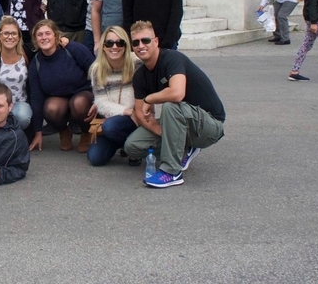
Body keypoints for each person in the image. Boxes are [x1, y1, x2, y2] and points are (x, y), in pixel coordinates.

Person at [124, 20, 226, 188]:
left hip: (209, 124)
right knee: (132, 146)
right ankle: (184, 148)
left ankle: (172, 172)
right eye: (136, 42)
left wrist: (150, 99)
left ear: (155, 42)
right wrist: (162, 132)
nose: (140, 45)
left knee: (171, 106)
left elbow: (177, 93)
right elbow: (141, 114)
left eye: (145, 40)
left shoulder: (172, 58)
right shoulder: (140, 76)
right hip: (179, 122)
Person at [28, 19, 96, 153]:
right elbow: (36, 97)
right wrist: (38, 132)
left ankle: (86, 132)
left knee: (78, 103)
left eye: (48, 33)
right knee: (50, 108)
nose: (44, 37)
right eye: (40, 35)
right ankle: (64, 131)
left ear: (56, 36)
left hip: (82, 93)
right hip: (59, 100)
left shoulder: (73, 49)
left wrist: (99, 99)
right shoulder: (35, 64)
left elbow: (96, 71)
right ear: (35, 40)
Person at [85, 27, 139, 166]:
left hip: (137, 118)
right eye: (109, 43)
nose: (114, 47)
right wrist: (125, 111)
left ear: (126, 45)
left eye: (119, 43)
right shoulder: (97, 69)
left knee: (110, 126)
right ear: (103, 46)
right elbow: (101, 102)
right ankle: (126, 145)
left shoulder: (137, 63)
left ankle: (136, 149)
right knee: (95, 158)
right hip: (116, 117)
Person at [0, 16, 32, 129]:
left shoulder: (27, 53)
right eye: (6, 33)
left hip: (20, 103)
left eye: (14, 33)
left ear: (19, 37)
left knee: (22, 116)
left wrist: (62, 41)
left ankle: (14, 136)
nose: (10, 37)